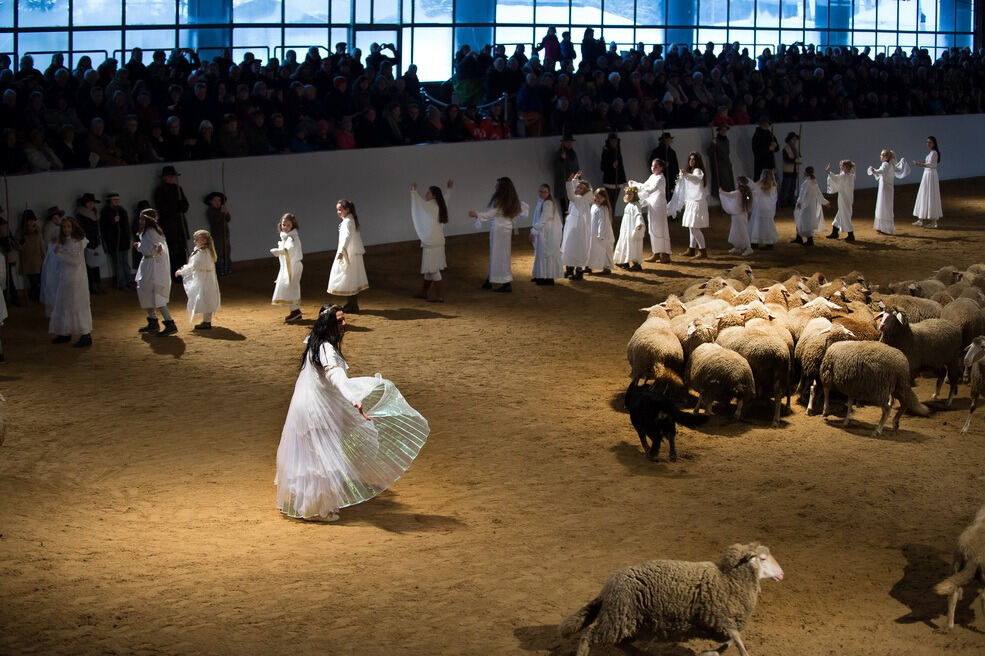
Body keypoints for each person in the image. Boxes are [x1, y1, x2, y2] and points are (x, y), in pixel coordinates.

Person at [275, 305, 430, 522]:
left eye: (343, 320)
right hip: (316, 410)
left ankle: (309, 503)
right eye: (339, 321)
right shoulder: (326, 348)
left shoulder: (314, 342)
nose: (344, 324)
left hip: (309, 406)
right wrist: (355, 401)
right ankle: (318, 509)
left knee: (313, 455)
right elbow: (336, 377)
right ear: (328, 324)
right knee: (322, 457)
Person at [469, 177, 527, 293]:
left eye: (497, 185)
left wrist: (477, 214)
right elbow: (522, 210)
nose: (495, 187)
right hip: (505, 229)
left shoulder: (501, 200)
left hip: (499, 230)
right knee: (500, 255)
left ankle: (504, 282)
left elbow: (492, 213)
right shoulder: (511, 199)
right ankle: (491, 280)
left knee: (498, 255)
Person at [48, 217, 92, 348]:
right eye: (64, 227)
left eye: (68, 226)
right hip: (65, 278)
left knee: (77, 305)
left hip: (75, 279)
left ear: (73, 227)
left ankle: (85, 334)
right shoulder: (65, 241)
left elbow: (75, 261)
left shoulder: (76, 241)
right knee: (64, 305)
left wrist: (59, 253)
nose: (66, 229)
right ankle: (64, 332)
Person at [133, 209, 176, 336]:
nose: (140, 221)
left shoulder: (151, 232)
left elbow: (157, 248)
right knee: (146, 291)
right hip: (147, 264)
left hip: (153, 266)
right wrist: (140, 246)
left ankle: (169, 323)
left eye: (142, 219)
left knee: (156, 293)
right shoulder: (146, 232)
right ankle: (153, 321)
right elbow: (149, 247)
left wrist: (147, 248)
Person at [409, 180, 452, 302]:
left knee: (433, 269)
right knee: (430, 269)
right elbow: (447, 197)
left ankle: (440, 296)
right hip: (438, 240)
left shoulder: (431, 206)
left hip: (432, 242)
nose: (426, 195)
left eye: (428, 193)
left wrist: (413, 192)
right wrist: (449, 189)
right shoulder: (440, 204)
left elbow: (418, 204)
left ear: (433, 195)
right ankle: (424, 292)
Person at [327, 199, 368, 312]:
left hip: (349, 253)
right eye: (337, 210)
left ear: (347, 209)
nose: (338, 212)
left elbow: (347, 237)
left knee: (349, 278)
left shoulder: (348, 221)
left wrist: (342, 251)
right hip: (350, 252)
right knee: (350, 278)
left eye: (340, 209)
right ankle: (351, 304)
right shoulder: (349, 219)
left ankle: (353, 305)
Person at [175, 230, 221, 330]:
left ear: (204, 241)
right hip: (207, 278)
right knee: (207, 298)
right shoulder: (207, 251)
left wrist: (181, 271)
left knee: (204, 298)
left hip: (204, 279)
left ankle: (206, 322)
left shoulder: (202, 252)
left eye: (197, 239)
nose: (194, 241)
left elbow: (193, 267)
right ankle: (206, 321)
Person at [668, 152, 710, 258]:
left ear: (697, 161)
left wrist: (686, 175)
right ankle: (691, 249)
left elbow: (696, 179)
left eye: (694, 159)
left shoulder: (697, 171)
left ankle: (702, 250)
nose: (691, 161)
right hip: (692, 202)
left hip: (697, 202)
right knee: (692, 227)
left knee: (694, 228)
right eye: (690, 159)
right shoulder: (691, 172)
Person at [631, 159, 671, 264]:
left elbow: (650, 189)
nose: (653, 168)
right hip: (652, 205)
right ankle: (656, 253)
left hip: (659, 206)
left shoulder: (661, 178)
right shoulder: (652, 177)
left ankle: (665, 254)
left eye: (656, 166)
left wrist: (636, 187)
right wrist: (635, 184)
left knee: (660, 229)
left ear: (661, 168)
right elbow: (645, 185)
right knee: (652, 229)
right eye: (652, 166)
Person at [152, 165, 190, 274]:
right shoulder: (160, 191)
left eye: (173, 176)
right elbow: (162, 208)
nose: (173, 178)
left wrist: (182, 206)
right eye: (171, 176)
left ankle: (183, 272)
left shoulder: (178, 189)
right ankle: (174, 273)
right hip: (168, 225)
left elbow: (185, 205)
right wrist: (175, 207)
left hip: (179, 224)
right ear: (165, 177)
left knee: (182, 249)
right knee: (172, 250)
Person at [867, 149, 910, 235]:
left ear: (886, 157)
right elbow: (897, 168)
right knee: (885, 206)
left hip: (885, 189)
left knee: (883, 206)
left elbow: (881, 171)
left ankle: (884, 228)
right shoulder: (891, 164)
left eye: (882, 155)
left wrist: (873, 170)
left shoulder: (886, 164)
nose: (880, 156)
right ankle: (882, 227)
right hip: (887, 188)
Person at [271, 213, 304, 322]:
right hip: (289, 265)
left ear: (292, 225)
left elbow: (291, 250)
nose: (285, 227)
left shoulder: (292, 237)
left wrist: (279, 251)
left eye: (287, 225)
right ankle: (295, 311)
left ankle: (295, 312)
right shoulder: (286, 236)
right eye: (283, 225)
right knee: (290, 287)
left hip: (293, 266)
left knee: (290, 287)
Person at [561, 172, 593, 280]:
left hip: (579, 229)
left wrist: (569, 182)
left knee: (578, 248)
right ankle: (569, 269)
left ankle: (579, 272)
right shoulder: (578, 197)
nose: (578, 188)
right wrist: (575, 180)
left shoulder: (581, 200)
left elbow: (571, 195)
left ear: (585, 192)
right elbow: (574, 192)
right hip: (572, 227)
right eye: (578, 187)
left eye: (581, 188)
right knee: (569, 247)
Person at [529, 184, 563, 284]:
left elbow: (543, 219)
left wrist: (533, 231)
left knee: (546, 254)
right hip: (542, 232)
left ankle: (548, 278)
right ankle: (540, 275)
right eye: (540, 191)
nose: (542, 193)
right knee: (540, 253)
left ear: (548, 193)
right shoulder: (541, 202)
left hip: (548, 233)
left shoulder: (548, 203)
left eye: (544, 192)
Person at [100, 192, 132, 290]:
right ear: (109, 201)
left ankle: (129, 281)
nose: (116, 202)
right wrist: (113, 221)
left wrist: (127, 237)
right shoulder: (105, 213)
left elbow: (126, 226)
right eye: (114, 200)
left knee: (125, 263)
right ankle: (121, 283)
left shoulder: (122, 211)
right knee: (118, 264)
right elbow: (105, 229)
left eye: (117, 200)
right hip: (114, 243)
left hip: (123, 241)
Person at [75, 193, 105, 294]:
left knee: (96, 264)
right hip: (88, 242)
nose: (91, 205)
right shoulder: (81, 215)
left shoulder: (95, 214)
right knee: (90, 264)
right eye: (89, 203)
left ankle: (98, 284)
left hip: (96, 241)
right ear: (85, 204)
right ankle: (92, 286)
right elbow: (82, 230)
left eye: (92, 203)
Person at [791, 167, 829, 247]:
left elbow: (802, 193)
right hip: (811, 205)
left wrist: (799, 202)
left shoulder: (806, 183)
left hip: (805, 205)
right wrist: (824, 202)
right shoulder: (814, 182)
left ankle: (809, 240)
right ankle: (799, 237)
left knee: (803, 221)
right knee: (806, 221)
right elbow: (819, 194)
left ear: (807, 173)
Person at [912, 136, 942, 229]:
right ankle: (920, 220)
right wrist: (921, 164)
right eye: (927, 142)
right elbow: (927, 164)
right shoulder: (931, 153)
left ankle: (934, 221)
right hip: (927, 175)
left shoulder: (934, 153)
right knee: (923, 195)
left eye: (930, 142)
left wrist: (920, 164)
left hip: (931, 176)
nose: (928, 144)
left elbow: (932, 165)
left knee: (931, 195)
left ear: (934, 143)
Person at [613, 186, 645, 271]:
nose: (627, 195)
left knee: (633, 245)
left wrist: (639, 224)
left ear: (634, 195)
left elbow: (638, 215)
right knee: (625, 244)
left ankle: (636, 264)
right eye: (626, 193)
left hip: (631, 229)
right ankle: (625, 262)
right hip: (625, 229)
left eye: (630, 194)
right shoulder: (628, 205)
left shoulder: (636, 205)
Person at [16, 210, 46, 301]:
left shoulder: (37, 229)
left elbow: (41, 244)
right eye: (29, 220)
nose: (31, 222)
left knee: (41, 280)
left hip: (38, 259)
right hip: (28, 260)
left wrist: (45, 257)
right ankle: (37, 296)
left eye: (32, 220)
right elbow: (18, 246)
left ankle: (41, 296)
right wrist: (22, 241)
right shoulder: (20, 231)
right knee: (33, 281)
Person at [719, 177, 754, 256]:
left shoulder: (738, 193)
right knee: (736, 231)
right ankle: (738, 247)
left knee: (742, 231)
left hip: (739, 216)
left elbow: (728, 195)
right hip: (740, 215)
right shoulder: (747, 192)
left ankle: (749, 248)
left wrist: (721, 191)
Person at [825, 160, 856, 241]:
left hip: (844, 199)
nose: (841, 167)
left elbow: (836, 178)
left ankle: (851, 235)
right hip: (846, 199)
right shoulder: (850, 176)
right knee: (839, 216)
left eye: (842, 166)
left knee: (845, 216)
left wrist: (829, 172)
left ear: (847, 167)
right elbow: (839, 177)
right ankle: (835, 233)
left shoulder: (845, 176)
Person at [586, 187, 615, 275]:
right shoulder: (594, 206)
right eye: (596, 196)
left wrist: (600, 234)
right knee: (592, 250)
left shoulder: (603, 209)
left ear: (604, 198)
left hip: (603, 235)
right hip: (593, 234)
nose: (597, 199)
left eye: (600, 197)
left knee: (605, 251)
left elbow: (602, 223)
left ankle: (607, 268)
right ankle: (589, 266)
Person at [749, 169, 778, 250]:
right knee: (768, 225)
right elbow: (774, 197)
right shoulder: (773, 185)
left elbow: (752, 192)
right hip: (768, 207)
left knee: (756, 224)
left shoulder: (759, 184)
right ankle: (769, 243)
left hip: (760, 206)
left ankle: (755, 241)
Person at [204, 192, 232, 276]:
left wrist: (225, 212)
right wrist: (221, 213)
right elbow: (215, 220)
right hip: (217, 236)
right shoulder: (210, 211)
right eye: (215, 200)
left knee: (226, 251)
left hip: (225, 235)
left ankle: (227, 267)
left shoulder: (222, 209)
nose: (217, 202)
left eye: (219, 200)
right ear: (211, 202)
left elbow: (228, 219)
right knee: (218, 252)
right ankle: (219, 270)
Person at [600, 132, 626, 216]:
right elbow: (602, 167)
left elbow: (621, 166)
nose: (614, 142)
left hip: (618, 180)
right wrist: (612, 165)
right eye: (612, 141)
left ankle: (611, 219)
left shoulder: (618, 150)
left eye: (615, 141)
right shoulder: (606, 151)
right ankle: (609, 219)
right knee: (610, 202)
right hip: (610, 181)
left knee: (613, 202)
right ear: (609, 141)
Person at [649, 133, 680, 201]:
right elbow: (652, 163)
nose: (667, 141)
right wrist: (663, 165)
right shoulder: (657, 152)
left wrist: (677, 179)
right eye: (666, 140)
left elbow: (675, 167)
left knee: (671, 196)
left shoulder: (672, 152)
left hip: (671, 179)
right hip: (661, 178)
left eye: (669, 140)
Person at [555, 133, 580, 214]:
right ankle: (566, 225)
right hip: (563, 186)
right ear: (564, 143)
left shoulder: (573, 153)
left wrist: (578, 178)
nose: (569, 143)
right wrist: (562, 159)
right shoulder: (559, 153)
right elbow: (557, 168)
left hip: (573, 184)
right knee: (565, 209)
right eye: (567, 142)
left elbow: (576, 167)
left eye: (570, 142)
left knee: (574, 207)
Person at [751, 117, 778, 182]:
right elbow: (757, 150)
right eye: (764, 123)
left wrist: (775, 146)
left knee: (770, 182)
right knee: (761, 181)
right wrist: (768, 149)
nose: (766, 125)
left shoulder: (770, 134)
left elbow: (776, 148)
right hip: (761, 164)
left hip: (770, 163)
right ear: (761, 124)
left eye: (767, 123)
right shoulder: (757, 135)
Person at [779, 132, 802, 207]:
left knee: (793, 186)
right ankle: (783, 201)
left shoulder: (796, 149)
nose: (795, 141)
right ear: (789, 140)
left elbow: (800, 158)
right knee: (786, 186)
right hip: (788, 171)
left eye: (795, 139)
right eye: (793, 139)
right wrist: (795, 160)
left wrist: (798, 160)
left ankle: (791, 200)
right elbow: (787, 160)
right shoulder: (785, 149)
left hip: (795, 170)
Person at [709, 125, 735, 192]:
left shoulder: (726, 140)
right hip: (720, 165)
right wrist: (713, 144)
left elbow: (727, 152)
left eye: (725, 130)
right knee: (723, 183)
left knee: (729, 183)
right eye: (723, 130)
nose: (724, 132)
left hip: (727, 164)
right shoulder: (716, 140)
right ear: (719, 131)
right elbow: (710, 153)